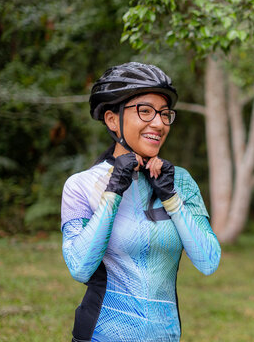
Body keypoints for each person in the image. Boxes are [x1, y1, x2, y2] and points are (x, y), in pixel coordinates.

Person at [60, 62, 221, 342]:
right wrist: (113, 192)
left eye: (164, 114)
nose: (158, 123)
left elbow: (209, 261)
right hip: (101, 333)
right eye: (145, 111)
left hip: (166, 335)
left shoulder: (180, 182)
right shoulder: (81, 185)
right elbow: (80, 267)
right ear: (112, 119)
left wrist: (171, 198)